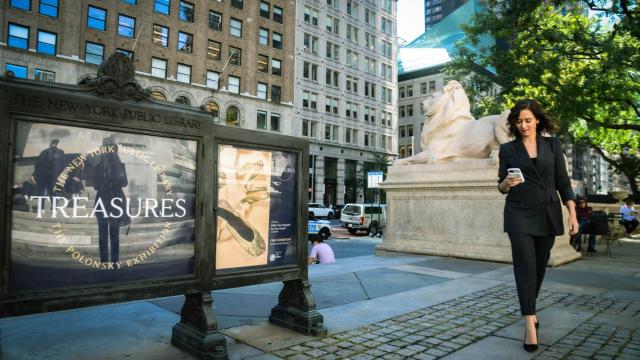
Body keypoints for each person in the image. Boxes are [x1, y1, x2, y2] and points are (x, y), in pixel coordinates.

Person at [498, 99, 578, 353]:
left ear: (538, 120)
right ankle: (529, 324)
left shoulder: (553, 146)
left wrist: (572, 214)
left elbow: (563, 183)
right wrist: (507, 184)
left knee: (538, 269)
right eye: (519, 121)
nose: (523, 125)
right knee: (525, 267)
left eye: (528, 120)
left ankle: (530, 310)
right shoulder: (508, 149)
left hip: (547, 212)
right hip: (518, 212)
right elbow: (500, 185)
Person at [93, 137, 129, 266]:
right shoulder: (121, 166)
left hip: (102, 200)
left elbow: (95, 186)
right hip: (116, 201)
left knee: (102, 234)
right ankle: (115, 262)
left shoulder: (98, 167)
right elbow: (124, 183)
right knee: (115, 234)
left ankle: (103, 262)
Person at [30, 138, 65, 212]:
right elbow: (63, 166)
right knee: (53, 192)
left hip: (43, 175)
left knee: (41, 192)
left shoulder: (44, 152)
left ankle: (42, 208)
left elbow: (38, 165)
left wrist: (33, 175)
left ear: (50, 144)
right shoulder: (61, 152)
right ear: (57, 144)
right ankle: (54, 209)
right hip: (54, 176)